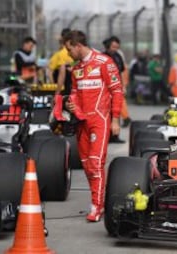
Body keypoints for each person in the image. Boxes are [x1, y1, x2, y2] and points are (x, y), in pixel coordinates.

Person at [63, 30, 123, 222]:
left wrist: (115, 119)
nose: (68, 53)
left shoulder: (105, 62)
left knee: (96, 164)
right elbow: (73, 92)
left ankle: (96, 206)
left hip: (100, 120)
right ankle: (99, 202)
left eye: (69, 49)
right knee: (88, 166)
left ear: (77, 45)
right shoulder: (76, 69)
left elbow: (117, 91)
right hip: (81, 122)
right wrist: (70, 103)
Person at [103, 36, 132, 129]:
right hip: (106, 88)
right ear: (108, 46)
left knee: (117, 107)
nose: (115, 49)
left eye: (117, 47)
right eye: (113, 47)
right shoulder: (102, 57)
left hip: (117, 86)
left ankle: (116, 134)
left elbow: (121, 72)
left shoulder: (118, 56)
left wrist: (123, 86)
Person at [48, 28, 74, 95]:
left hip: (63, 88)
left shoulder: (58, 54)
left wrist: (53, 87)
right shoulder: (74, 51)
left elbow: (50, 72)